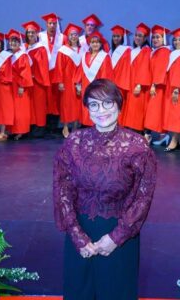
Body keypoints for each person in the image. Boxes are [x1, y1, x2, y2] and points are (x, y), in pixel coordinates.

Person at [53, 78, 156, 299]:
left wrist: (116, 238)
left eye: (107, 103)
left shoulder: (137, 147)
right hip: (80, 234)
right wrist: (77, 235)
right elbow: (63, 191)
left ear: (119, 105)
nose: (101, 110)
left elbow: (143, 198)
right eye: (94, 105)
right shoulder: (73, 143)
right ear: (87, 109)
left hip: (120, 237)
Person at [162, 28, 180, 151]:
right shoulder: (173, 53)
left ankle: (174, 139)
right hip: (171, 86)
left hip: (178, 89)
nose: (177, 42)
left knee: (176, 113)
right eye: (175, 40)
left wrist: (177, 89)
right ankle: (179, 137)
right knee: (172, 113)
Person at [76, 32, 113, 127]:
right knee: (86, 108)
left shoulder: (105, 56)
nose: (95, 44)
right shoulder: (85, 55)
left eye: (97, 42)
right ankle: (86, 127)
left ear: (101, 44)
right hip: (85, 87)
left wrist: (103, 88)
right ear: (89, 44)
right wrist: (78, 84)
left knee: (97, 108)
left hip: (98, 89)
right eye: (92, 42)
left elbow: (106, 74)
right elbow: (80, 71)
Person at [120, 23, 151, 133]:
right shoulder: (134, 50)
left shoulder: (146, 50)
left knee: (137, 109)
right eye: (136, 35)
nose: (137, 38)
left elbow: (144, 67)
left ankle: (138, 134)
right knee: (131, 109)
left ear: (145, 38)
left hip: (138, 85)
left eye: (140, 36)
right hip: (131, 83)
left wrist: (139, 84)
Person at [53, 23, 83, 138]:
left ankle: (75, 127)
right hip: (66, 81)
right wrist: (60, 82)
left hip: (78, 81)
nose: (74, 36)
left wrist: (79, 82)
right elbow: (59, 67)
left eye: (75, 34)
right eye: (71, 35)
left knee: (77, 104)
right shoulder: (63, 50)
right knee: (66, 104)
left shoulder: (82, 50)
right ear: (68, 37)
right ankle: (65, 126)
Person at [143, 25, 170, 144]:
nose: (155, 39)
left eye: (158, 37)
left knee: (153, 111)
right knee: (156, 112)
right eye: (153, 37)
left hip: (158, 86)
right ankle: (162, 135)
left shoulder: (164, 51)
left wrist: (154, 84)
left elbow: (160, 69)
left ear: (163, 38)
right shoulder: (155, 51)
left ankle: (148, 135)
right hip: (153, 85)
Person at [24, 21, 50, 137]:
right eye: (28, 32)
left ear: (37, 34)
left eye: (33, 32)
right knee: (30, 106)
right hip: (27, 82)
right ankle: (32, 127)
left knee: (39, 105)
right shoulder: (23, 48)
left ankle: (40, 129)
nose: (30, 34)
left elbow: (43, 66)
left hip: (37, 81)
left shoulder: (41, 48)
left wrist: (36, 76)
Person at [7, 29, 33, 139]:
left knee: (21, 109)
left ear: (19, 43)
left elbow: (26, 72)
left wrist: (22, 86)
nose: (13, 43)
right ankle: (13, 130)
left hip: (20, 86)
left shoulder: (22, 56)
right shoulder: (8, 55)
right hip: (11, 86)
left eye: (16, 42)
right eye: (12, 41)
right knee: (13, 109)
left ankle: (21, 131)